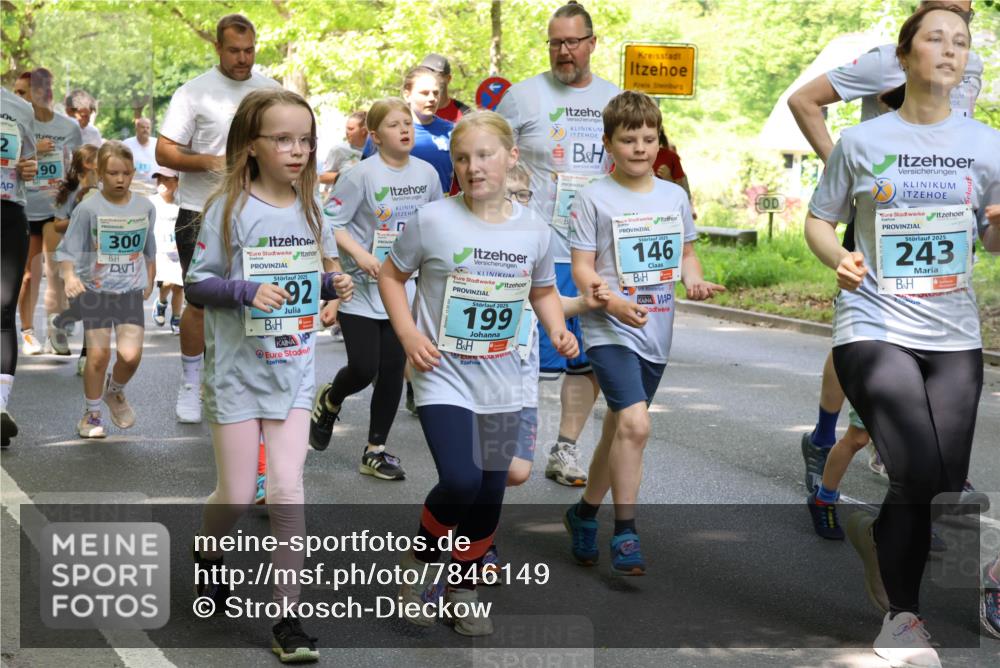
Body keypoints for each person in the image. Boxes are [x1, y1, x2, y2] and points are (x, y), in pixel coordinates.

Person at [804, 7, 999, 666]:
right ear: (908, 53)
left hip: (953, 332)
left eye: (961, 41)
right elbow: (819, 220)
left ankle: (869, 527)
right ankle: (903, 620)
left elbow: (993, 239)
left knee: (942, 485)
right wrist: (839, 258)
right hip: (873, 324)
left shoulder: (988, 144)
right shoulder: (863, 144)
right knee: (915, 466)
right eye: (936, 38)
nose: (950, 49)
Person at [788, 0, 985, 525]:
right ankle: (830, 435)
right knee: (861, 327)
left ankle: (917, 463)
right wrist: (846, 174)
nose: (958, 8)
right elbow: (804, 100)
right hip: (886, 211)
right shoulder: (886, 59)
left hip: (943, 222)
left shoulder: (973, 61)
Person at [380, 111, 577, 635]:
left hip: (503, 378)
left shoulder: (535, 230)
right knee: (461, 480)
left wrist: (558, 328)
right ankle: (420, 565)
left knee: (490, 491)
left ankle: (462, 589)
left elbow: (541, 291)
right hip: (441, 371)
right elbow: (391, 275)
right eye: (462, 158)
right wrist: (407, 334)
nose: (472, 167)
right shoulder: (432, 220)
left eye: (484, 155)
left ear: (511, 158)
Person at [184, 88, 351, 663]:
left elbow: (316, 275)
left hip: (293, 369)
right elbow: (197, 285)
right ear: (252, 146)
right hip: (235, 372)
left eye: (305, 139)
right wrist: (247, 290)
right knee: (234, 494)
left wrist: (334, 287)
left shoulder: (312, 210)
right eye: (283, 139)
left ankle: (288, 617)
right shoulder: (227, 209)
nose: (298, 150)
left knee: (285, 490)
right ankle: (209, 552)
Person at [565, 91, 724, 575]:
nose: (639, 148)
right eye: (628, 139)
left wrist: (692, 277)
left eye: (648, 139)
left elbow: (687, 253)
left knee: (619, 429)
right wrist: (611, 301)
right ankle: (627, 531)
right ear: (609, 144)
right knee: (636, 425)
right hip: (609, 328)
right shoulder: (593, 198)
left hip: (655, 328)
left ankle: (584, 513)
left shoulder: (674, 197)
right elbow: (581, 270)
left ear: (659, 141)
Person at [495, 0, 620, 487]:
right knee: (511, 350)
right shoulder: (522, 97)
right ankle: (503, 444)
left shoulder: (615, 99)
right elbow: (489, 158)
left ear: (592, 43)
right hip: (532, 249)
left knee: (584, 358)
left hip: (595, 252)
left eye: (572, 42)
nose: (563, 52)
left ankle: (565, 448)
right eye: (555, 43)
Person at [481, 163, 611, 575]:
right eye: (510, 194)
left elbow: (548, 303)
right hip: (483, 379)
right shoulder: (475, 243)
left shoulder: (534, 246)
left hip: (521, 381)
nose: (518, 202)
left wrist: (582, 309)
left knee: (516, 471)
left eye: (524, 195)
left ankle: (467, 533)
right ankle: (479, 547)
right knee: (488, 467)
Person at [156, 13, 281, 424]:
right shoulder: (193, 93)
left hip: (259, 212)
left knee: (256, 299)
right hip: (200, 211)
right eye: (234, 51)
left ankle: (242, 383)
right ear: (217, 48)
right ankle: (192, 384)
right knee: (201, 301)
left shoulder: (271, 90)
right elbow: (165, 153)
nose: (243, 58)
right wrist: (216, 161)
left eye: (249, 50)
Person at [310, 98, 443, 480]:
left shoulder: (428, 174)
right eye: (394, 125)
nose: (405, 130)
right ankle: (331, 398)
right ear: (375, 136)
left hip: (403, 288)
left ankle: (376, 450)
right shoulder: (359, 175)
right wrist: (360, 255)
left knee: (391, 369)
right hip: (361, 287)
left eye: (408, 123)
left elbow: (434, 224)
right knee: (364, 367)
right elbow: (329, 223)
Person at [56, 141, 156, 439]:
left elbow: (149, 249)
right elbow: (67, 251)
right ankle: (92, 413)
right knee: (98, 355)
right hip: (96, 292)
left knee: (130, 356)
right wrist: (70, 277)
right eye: (113, 173)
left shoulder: (145, 207)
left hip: (129, 293)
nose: (120, 179)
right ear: (100, 173)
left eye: (126, 173)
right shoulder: (88, 209)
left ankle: (115, 391)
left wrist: (151, 277)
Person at [19, 68, 83, 356]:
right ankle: (28, 332)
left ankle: (55, 330)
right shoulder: (17, 125)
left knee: (55, 270)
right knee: (28, 275)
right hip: (24, 206)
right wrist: (36, 153)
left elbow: (78, 170)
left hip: (56, 209)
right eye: (20, 92)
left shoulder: (69, 129)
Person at [1, 87, 38, 448]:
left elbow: (30, 163)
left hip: (9, 212)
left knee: (3, 310)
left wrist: (29, 166)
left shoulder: (19, 108)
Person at [50, 144, 100, 371]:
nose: (96, 172)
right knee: (82, 308)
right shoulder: (69, 191)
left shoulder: (106, 190)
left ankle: (85, 358)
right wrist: (80, 220)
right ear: (81, 170)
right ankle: (59, 322)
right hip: (72, 259)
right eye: (93, 167)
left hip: (98, 259)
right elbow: (57, 224)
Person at [150, 167, 184, 333]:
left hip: (178, 251)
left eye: (167, 179)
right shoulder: (151, 202)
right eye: (159, 179)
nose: (162, 182)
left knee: (179, 286)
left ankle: (177, 317)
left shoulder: (182, 202)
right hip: (160, 252)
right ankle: (161, 302)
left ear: (177, 181)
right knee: (168, 282)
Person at [318, 110, 367, 189]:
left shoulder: (377, 150)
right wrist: (347, 176)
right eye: (346, 128)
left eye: (351, 129)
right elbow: (321, 177)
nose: (346, 132)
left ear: (363, 131)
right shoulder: (338, 149)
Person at [420, 53, 472, 123]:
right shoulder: (412, 112)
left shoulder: (465, 114)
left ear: (448, 79)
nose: (430, 78)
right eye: (425, 73)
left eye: (436, 74)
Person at [123, 117, 159, 184]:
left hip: (154, 186)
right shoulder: (126, 144)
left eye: (148, 128)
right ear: (136, 129)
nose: (145, 130)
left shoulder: (157, 144)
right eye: (143, 127)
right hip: (133, 186)